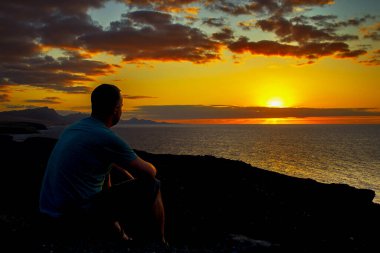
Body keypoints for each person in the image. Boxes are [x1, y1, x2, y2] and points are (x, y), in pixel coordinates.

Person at [39, 84, 166, 245]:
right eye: (122, 106)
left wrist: (117, 165)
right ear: (115, 109)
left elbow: (105, 188)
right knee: (152, 184)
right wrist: (146, 169)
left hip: (50, 215)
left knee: (109, 172)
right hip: (73, 217)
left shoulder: (73, 128)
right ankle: (160, 243)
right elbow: (149, 173)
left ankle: (120, 237)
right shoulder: (105, 137)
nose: (122, 110)